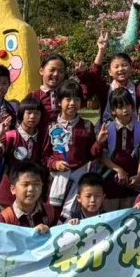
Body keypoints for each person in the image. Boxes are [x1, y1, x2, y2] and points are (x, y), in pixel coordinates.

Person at [45, 81, 100, 210]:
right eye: (68, 99)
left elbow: (91, 155)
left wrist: (100, 142)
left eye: (76, 99)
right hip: (56, 179)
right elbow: (44, 155)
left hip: (79, 180)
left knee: (75, 216)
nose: (72, 103)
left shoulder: (87, 125)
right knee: (53, 213)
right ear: (59, 102)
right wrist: (55, 164)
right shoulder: (51, 126)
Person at [0, 96, 46, 207]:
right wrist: (0, 133)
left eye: (37, 113)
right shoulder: (11, 136)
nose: (32, 117)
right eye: (29, 113)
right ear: (21, 114)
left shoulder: (43, 138)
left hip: (32, 192)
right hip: (9, 192)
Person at [97, 90, 140, 209]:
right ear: (113, 111)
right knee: (111, 213)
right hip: (110, 181)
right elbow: (102, 156)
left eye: (128, 105)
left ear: (133, 106)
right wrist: (118, 169)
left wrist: (138, 176)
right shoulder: (107, 128)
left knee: (130, 213)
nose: (125, 110)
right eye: (120, 107)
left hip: (132, 182)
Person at [0, 162, 54, 231]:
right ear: (13, 189)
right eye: (25, 184)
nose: (31, 189)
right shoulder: (5, 219)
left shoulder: (50, 212)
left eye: (36, 184)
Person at [33, 54, 69, 124]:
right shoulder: (34, 96)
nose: (56, 74)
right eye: (52, 70)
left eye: (61, 71)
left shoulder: (67, 95)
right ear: (41, 71)